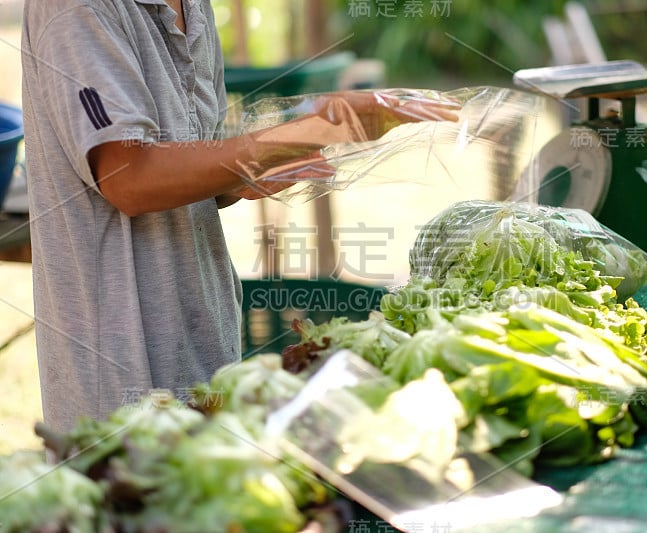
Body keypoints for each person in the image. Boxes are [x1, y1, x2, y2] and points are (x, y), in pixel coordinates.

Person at [21, 0, 458, 434]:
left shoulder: (194, 6)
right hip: (120, 369)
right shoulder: (74, 7)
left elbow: (187, 157)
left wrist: (242, 174)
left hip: (207, 340)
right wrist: (316, 125)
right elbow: (129, 177)